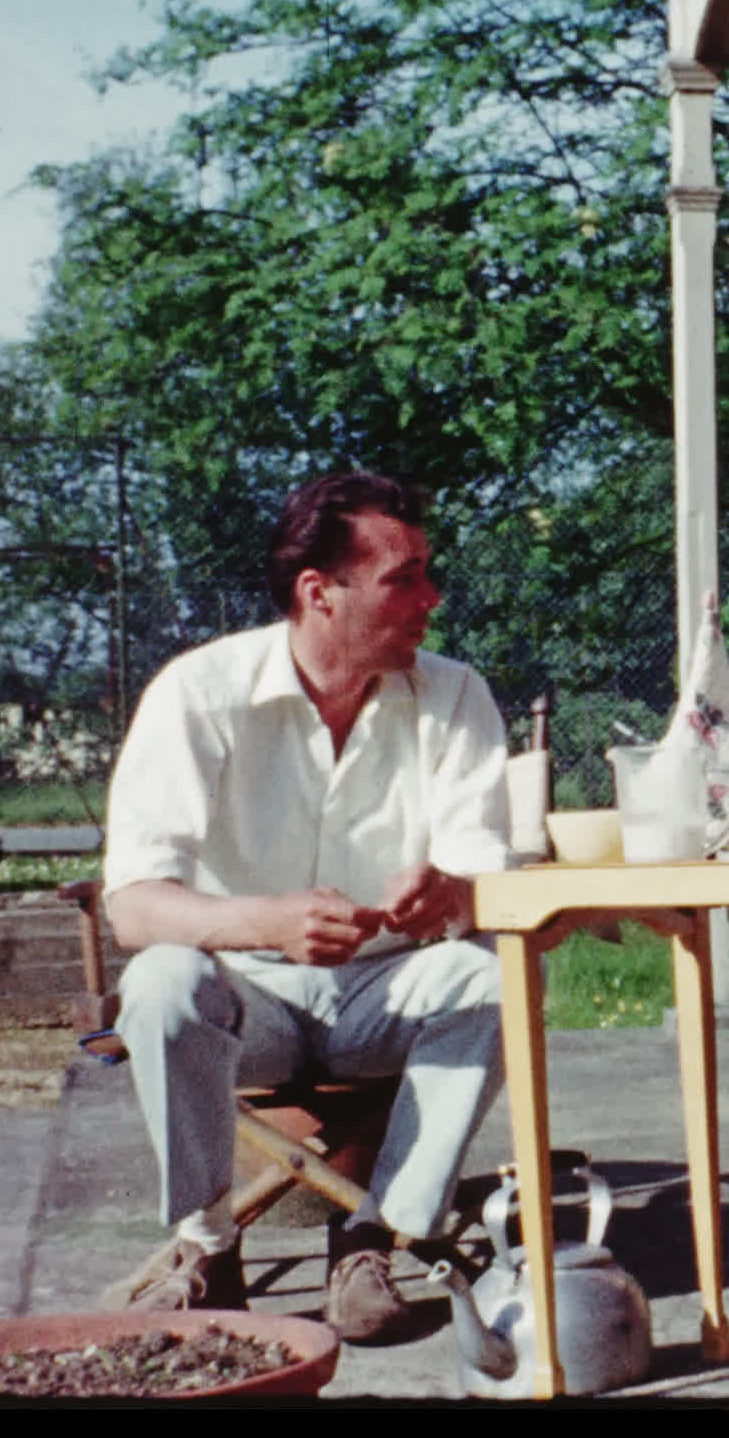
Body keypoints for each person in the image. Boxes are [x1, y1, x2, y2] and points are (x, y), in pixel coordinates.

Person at [99, 471, 513, 1343]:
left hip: (388, 990)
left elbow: (486, 883)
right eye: (405, 579)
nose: (432, 598)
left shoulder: (455, 694)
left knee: (497, 976)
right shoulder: (198, 692)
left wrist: (454, 894)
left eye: (428, 574)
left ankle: (375, 1236)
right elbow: (133, 907)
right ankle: (208, 1247)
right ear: (319, 592)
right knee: (162, 982)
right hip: (247, 996)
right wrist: (267, 922)